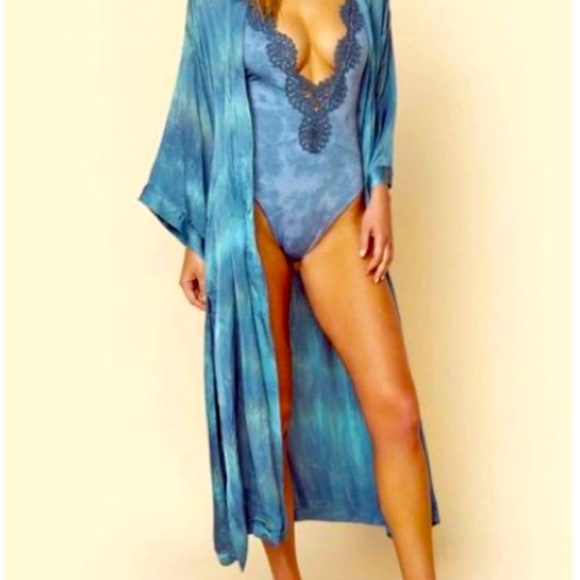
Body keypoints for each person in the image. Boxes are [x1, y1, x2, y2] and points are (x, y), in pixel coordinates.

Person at [138, 0, 441, 577]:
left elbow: (380, 91)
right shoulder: (218, 6)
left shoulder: (369, 4)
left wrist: (381, 189)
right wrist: (196, 238)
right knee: (270, 416)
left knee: (397, 412)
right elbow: (197, 102)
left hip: (341, 214)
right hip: (250, 215)